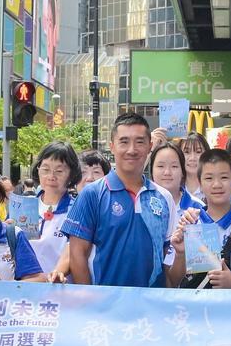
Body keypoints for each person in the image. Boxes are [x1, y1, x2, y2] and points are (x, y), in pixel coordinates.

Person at [63, 113, 177, 287]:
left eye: (140, 142)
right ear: (112, 147)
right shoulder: (93, 194)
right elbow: (77, 253)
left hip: (152, 307)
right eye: (124, 142)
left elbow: (164, 255)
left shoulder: (163, 197)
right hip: (106, 308)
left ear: (150, 146)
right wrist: (89, 300)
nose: (132, 150)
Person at [165, 148, 231, 288]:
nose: (217, 184)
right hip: (194, 308)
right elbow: (172, 282)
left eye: (224, 177)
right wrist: (180, 254)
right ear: (200, 184)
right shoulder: (189, 225)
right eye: (209, 178)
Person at [29, 143, 80, 282]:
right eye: (45, 169)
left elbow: (73, 250)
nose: (51, 176)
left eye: (59, 171)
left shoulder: (77, 209)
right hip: (22, 289)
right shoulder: (24, 206)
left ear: (71, 174)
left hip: (58, 290)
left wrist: (57, 273)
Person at [150, 141, 202, 212]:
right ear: (152, 170)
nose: (167, 172)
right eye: (160, 166)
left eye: (174, 166)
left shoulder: (198, 207)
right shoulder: (141, 205)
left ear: (182, 171)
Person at [180, 132, 208, 201]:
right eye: (186, 152)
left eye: (198, 152)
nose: (192, 158)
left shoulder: (213, 187)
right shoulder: (174, 187)